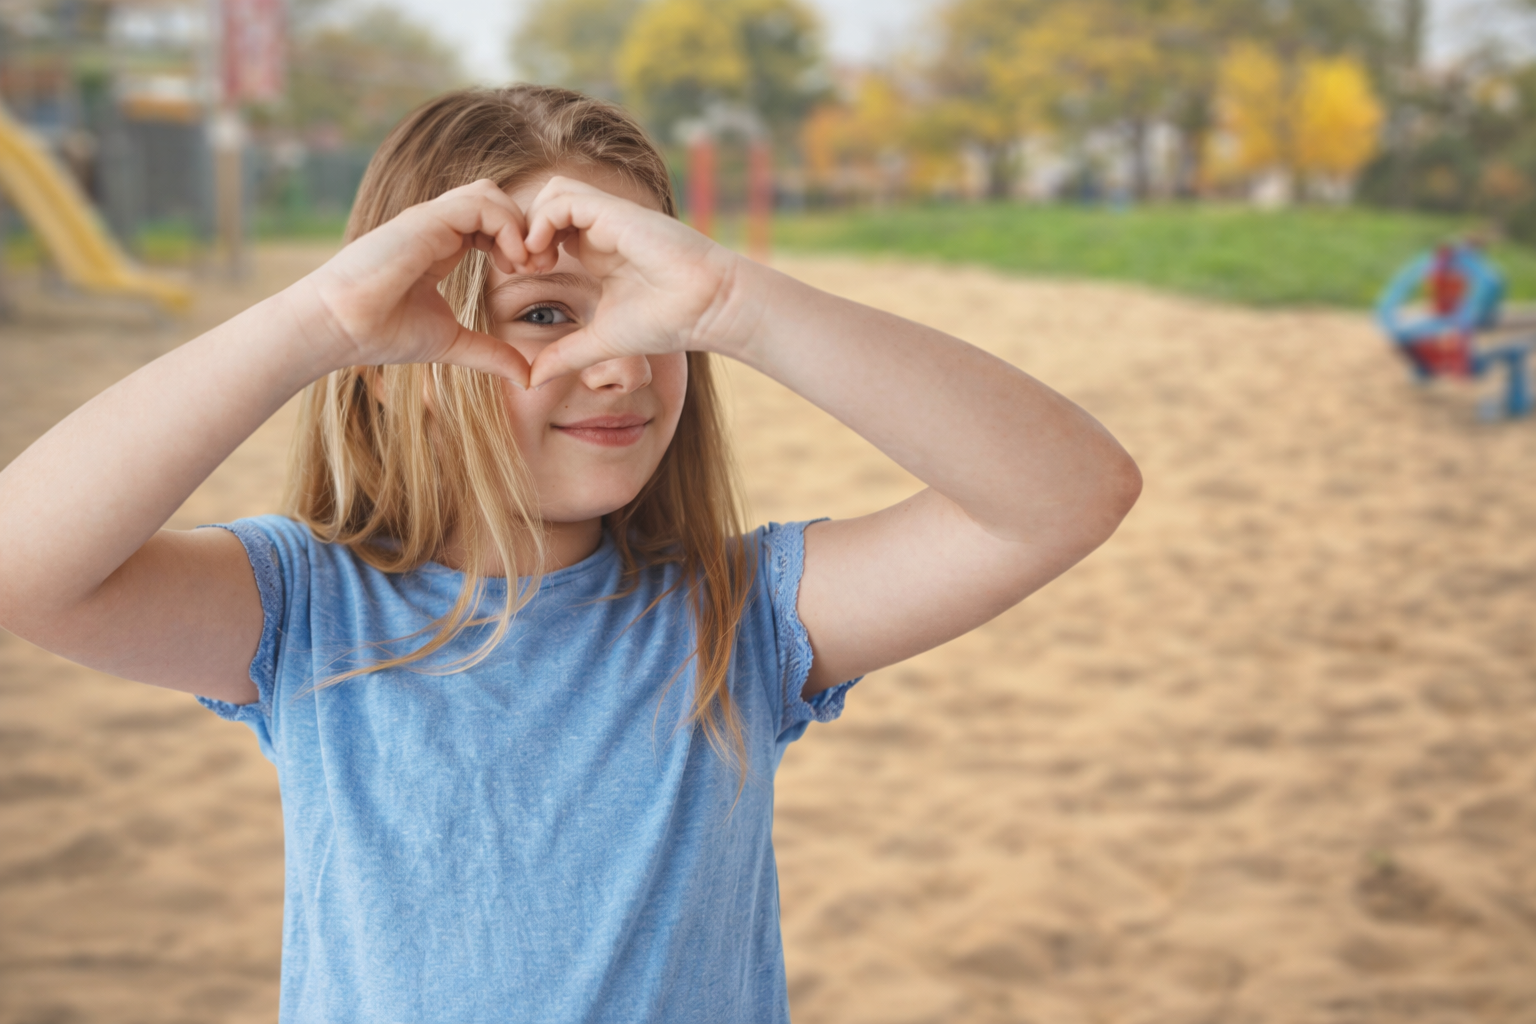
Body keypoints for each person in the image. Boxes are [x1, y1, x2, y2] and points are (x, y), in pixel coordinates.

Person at [0, 86, 1140, 1022]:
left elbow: (1065, 496)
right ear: (408, 333)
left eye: (652, 315)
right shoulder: (307, 608)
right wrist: (320, 326)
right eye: (546, 313)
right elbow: (24, 565)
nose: (622, 363)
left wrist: (734, 299)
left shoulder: (737, 615)